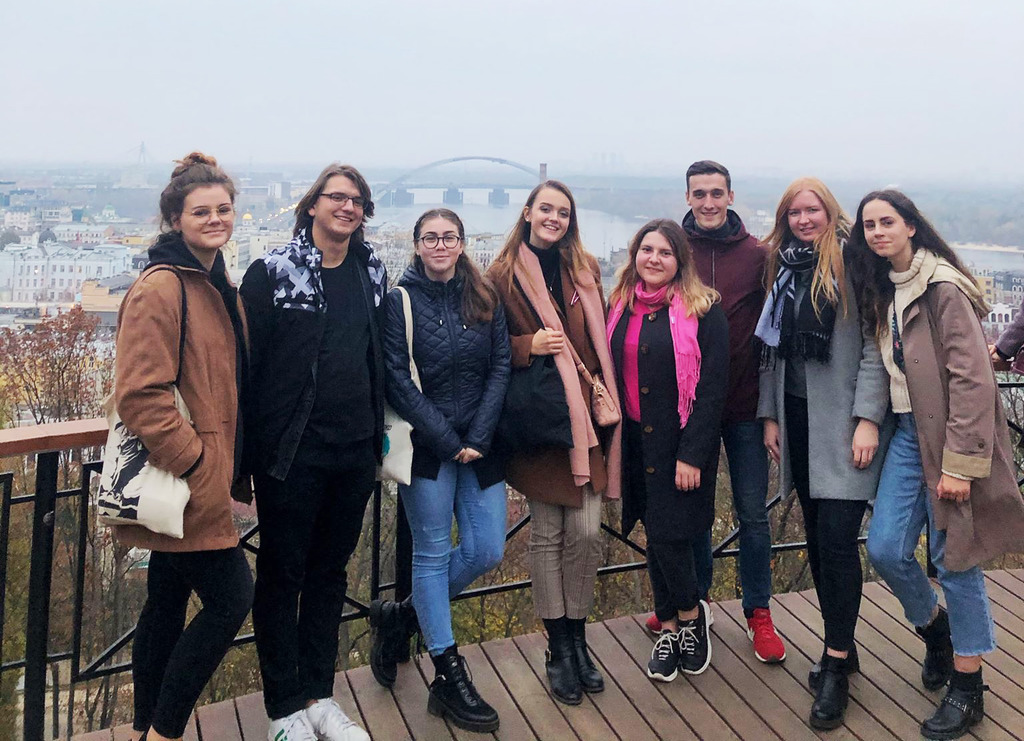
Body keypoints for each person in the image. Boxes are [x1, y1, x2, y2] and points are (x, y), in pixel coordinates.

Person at [849, 189, 1024, 740]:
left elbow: (974, 380)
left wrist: (960, 465)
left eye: (887, 222)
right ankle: (936, 629)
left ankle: (969, 686)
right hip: (907, 434)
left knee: (955, 561)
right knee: (885, 547)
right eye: (869, 225)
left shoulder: (942, 288)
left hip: (949, 439)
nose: (878, 232)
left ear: (911, 227)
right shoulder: (883, 287)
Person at [240, 164, 384, 741]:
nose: (348, 208)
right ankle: (283, 709)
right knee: (282, 575)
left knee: (329, 574)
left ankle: (319, 695)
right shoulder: (273, 272)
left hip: (355, 452)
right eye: (337, 197)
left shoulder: (371, 269)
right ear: (313, 205)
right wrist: (245, 461)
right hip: (293, 454)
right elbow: (248, 370)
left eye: (357, 201)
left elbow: (377, 354)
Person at [116, 153, 253, 741]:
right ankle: (166, 731)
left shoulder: (213, 281)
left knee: (166, 602)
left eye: (224, 209)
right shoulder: (163, 287)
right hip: (190, 478)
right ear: (176, 219)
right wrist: (195, 461)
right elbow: (139, 394)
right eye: (202, 211)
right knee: (232, 598)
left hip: (200, 474)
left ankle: (145, 726)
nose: (216, 219)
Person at [755, 177, 891, 730]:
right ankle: (844, 645)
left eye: (812, 210)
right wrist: (769, 415)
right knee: (816, 538)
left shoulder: (854, 264)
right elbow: (771, 351)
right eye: (794, 212)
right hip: (798, 419)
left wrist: (868, 420)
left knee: (836, 541)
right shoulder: (783, 267)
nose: (804, 219)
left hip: (845, 424)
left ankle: (835, 665)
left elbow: (875, 346)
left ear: (830, 211)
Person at [368, 208, 511, 731]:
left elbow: (500, 365)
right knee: (430, 555)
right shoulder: (399, 301)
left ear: (462, 243)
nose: (440, 245)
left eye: (449, 237)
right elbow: (396, 378)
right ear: (416, 244)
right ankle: (448, 674)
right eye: (430, 237)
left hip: (481, 444)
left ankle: (402, 617)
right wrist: (448, 440)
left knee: (487, 548)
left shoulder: (485, 295)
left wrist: (477, 436)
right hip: (428, 449)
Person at [643, 161, 787, 665]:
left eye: (716, 193)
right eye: (699, 193)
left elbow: (774, 335)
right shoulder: (671, 252)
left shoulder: (757, 256)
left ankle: (758, 611)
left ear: (731, 196)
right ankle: (693, 605)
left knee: (752, 513)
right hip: (688, 413)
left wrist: (771, 410)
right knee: (693, 515)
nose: (708, 202)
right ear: (687, 196)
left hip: (744, 405)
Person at [484, 180, 621, 706]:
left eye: (563, 212)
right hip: (540, 424)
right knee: (547, 535)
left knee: (585, 534)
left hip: (585, 423)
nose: (554, 218)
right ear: (527, 212)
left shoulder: (584, 270)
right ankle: (559, 647)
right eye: (546, 209)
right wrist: (528, 345)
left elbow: (601, 338)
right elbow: (486, 346)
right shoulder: (500, 277)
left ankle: (578, 639)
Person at [606, 219, 728, 681]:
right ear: (634, 254)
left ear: (680, 261)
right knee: (654, 534)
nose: (654, 259)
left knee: (671, 536)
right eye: (646, 249)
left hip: (680, 445)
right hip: (635, 442)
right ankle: (671, 628)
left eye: (665, 252)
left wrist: (692, 454)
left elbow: (712, 389)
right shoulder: (620, 305)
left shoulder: (704, 310)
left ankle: (691, 621)